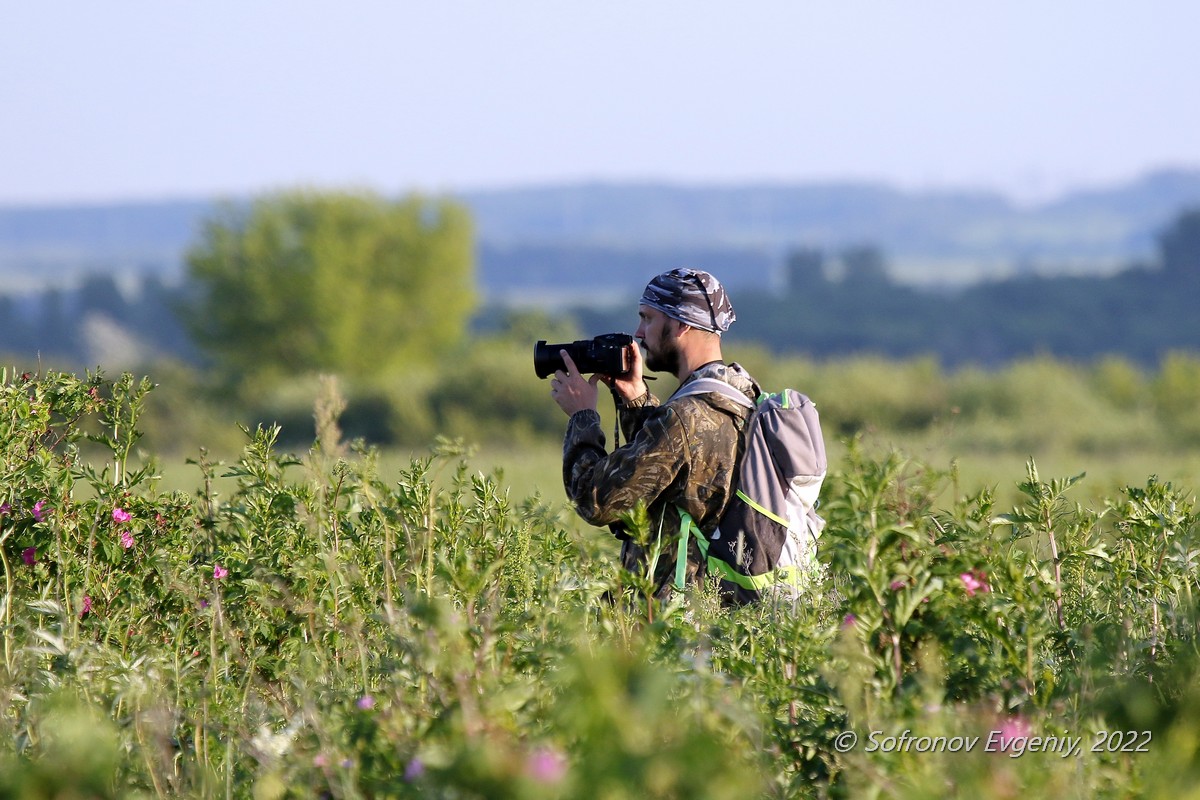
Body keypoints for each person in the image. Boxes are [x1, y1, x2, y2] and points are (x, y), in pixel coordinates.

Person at [549, 267, 759, 600]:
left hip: (672, 621)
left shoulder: (683, 418)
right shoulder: (743, 398)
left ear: (682, 324)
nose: (639, 333)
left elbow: (595, 500)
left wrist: (583, 415)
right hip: (717, 607)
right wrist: (636, 400)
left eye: (647, 319)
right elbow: (675, 477)